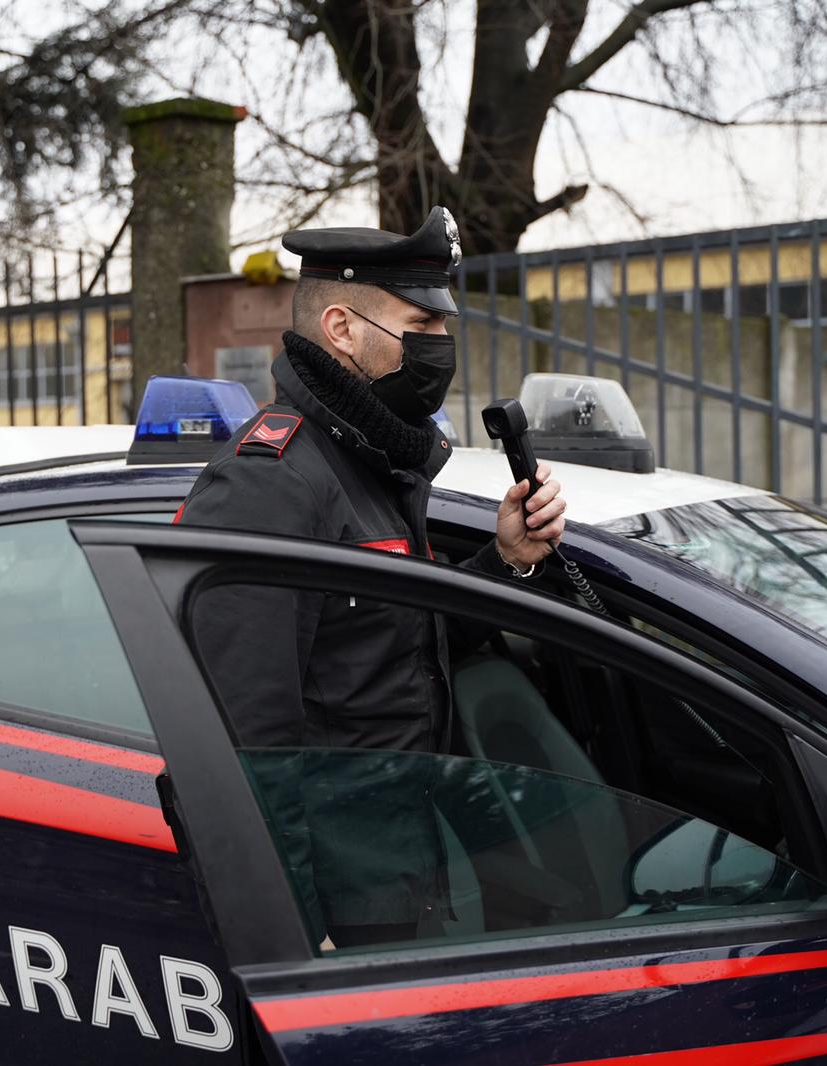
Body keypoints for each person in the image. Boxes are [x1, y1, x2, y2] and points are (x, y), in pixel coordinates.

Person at [176, 207, 567, 949]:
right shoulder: (273, 483)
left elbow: (396, 650)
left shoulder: (375, 463)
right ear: (342, 328)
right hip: (338, 903)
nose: (439, 347)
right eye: (420, 327)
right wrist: (293, 928)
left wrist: (504, 560)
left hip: (404, 870)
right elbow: (244, 743)